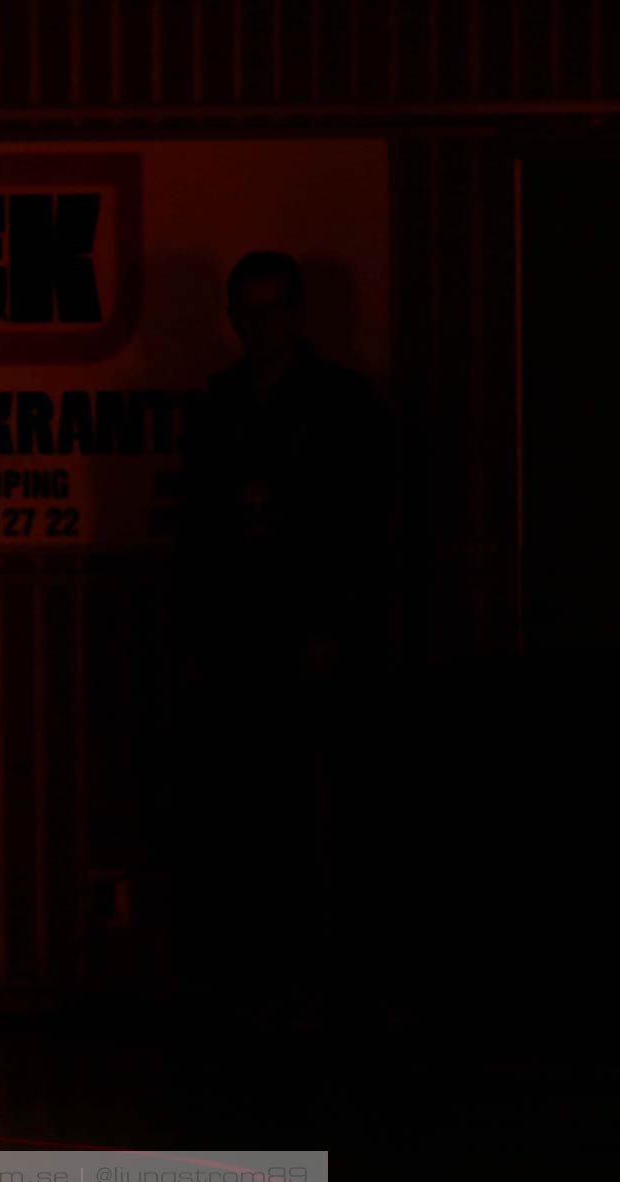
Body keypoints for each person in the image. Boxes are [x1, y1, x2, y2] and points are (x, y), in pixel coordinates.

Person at [175, 250, 388, 1016]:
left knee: (318, 808)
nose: (259, 326)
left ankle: (321, 971)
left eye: (272, 310)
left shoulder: (341, 405)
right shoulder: (221, 406)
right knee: (243, 808)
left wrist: (332, 623)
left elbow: (362, 526)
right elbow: (196, 531)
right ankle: (257, 971)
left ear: (296, 313)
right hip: (240, 632)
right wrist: (197, 639)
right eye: (247, 311)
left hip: (312, 633)